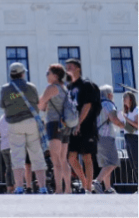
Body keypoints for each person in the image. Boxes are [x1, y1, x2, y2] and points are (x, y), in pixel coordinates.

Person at [64, 58, 101, 192]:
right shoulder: (69, 87)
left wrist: (79, 123)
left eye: (70, 66)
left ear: (78, 68)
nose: (67, 69)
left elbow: (88, 105)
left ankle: (88, 189)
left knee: (87, 156)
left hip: (86, 126)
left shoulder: (86, 85)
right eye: (66, 66)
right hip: (72, 127)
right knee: (71, 158)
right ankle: (86, 183)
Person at [38, 63, 72, 193]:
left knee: (55, 159)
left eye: (48, 73)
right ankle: (68, 188)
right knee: (63, 160)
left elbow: (40, 106)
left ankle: (58, 189)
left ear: (55, 75)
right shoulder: (64, 88)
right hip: (65, 125)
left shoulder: (51, 88)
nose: (46, 75)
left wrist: (44, 101)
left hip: (54, 124)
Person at [94, 85, 125, 193]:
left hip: (96, 137)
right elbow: (114, 119)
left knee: (106, 163)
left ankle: (108, 188)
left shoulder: (96, 105)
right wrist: (123, 125)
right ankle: (97, 181)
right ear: (109, 95)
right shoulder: (108, 104)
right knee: (113, 162)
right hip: (106, 136)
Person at [121, 91, 138, 183]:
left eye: (125, 97)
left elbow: (137, 125)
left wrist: (126, 119)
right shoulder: (125, 112)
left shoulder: (136, 110)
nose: (123, 99)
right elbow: (129, 128)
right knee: (132, 164)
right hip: (127, 137)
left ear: (131, 99)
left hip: (135, 138)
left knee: (137, 162)